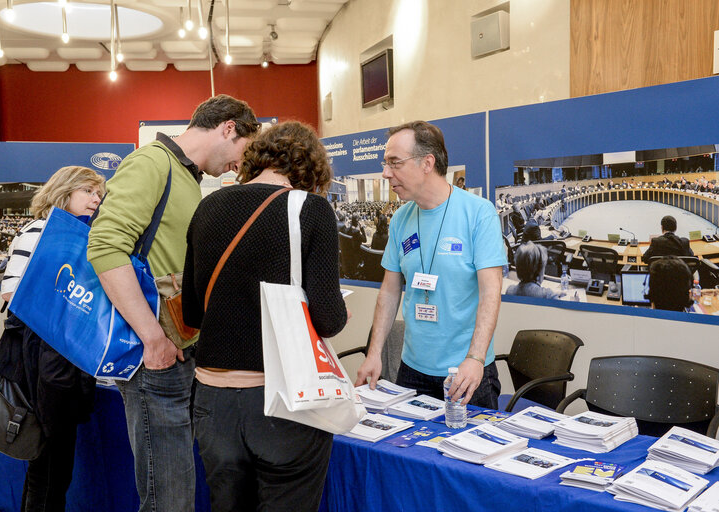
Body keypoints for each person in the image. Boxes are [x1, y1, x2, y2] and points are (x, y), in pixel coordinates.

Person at [87, 95, 260, 512]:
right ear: (229, 127)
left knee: (177, 484)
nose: (241, 164)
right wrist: (151, 337)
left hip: (179, 347)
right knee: (168, 494)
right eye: (244, 151)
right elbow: (105, 246)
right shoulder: (152, 164)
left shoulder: (186, 177)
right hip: (156, 355)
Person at [181, 121, 348, 511]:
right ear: (311, 169)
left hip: (211, 398)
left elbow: (192, 311)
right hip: (282, 398)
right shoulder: (311, 210)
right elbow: (329, 319)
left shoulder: (208, 207)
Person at [355, 121, 506, 407]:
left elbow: (490, 292)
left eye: (394, 163)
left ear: (427, 163)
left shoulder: (478, 213)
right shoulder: (400, 219)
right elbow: (389, 292)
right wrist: (374, 353)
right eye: (385, 164)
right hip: (412, 371)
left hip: (466, 372)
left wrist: (475, 358)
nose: (386, 173)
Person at [0, 166, 105, 511]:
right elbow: (11, 293)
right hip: (39, 361)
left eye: (99, 193)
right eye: (88, 191)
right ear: (64, 191)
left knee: (55, 464)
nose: (96, 199)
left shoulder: (77, 234)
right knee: (48, 462)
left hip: (58, 360)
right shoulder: (40, 230)